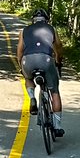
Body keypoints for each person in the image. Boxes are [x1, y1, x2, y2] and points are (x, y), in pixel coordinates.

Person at [17, 8, 64, 137]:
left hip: (28, 60)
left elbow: (20, 51)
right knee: (54, 91)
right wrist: (59, 60)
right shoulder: (51, 29)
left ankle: (32, 98)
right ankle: (58, 126)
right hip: (46, 60)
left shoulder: (24, 31)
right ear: (46, 20)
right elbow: (58, 47)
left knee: (28, 78)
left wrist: (21, 65)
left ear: (33, 20)